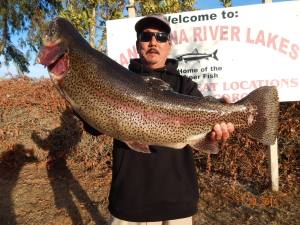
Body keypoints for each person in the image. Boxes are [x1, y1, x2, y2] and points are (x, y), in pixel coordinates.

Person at [83, 15, 234, 225]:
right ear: (138, 45)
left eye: (161, 37)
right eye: (146, 36)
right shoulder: (117, 81)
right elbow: (94, 127)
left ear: (169, 45)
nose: (153, 42)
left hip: (178, 202)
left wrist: (220, 127)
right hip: (129, 201)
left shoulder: (185, 86)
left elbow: (208, 133)